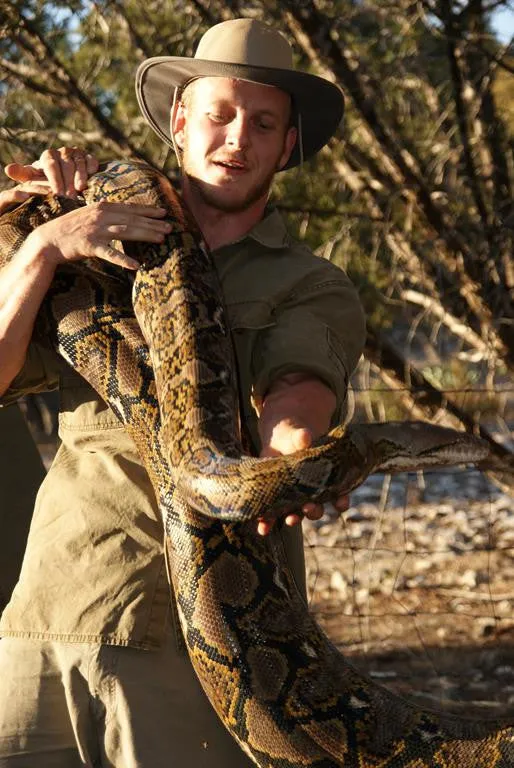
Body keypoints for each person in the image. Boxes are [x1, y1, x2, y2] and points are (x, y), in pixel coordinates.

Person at [0, 17, 366, 768]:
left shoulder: (310, 283)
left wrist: (291, 457)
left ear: (287, 146)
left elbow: (300, 390)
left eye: (263, 124)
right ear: (179, 121)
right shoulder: (91, 244)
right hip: (47, 612)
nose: (237, 139)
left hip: (189, 644)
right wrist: (42, 246)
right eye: (219, 114)